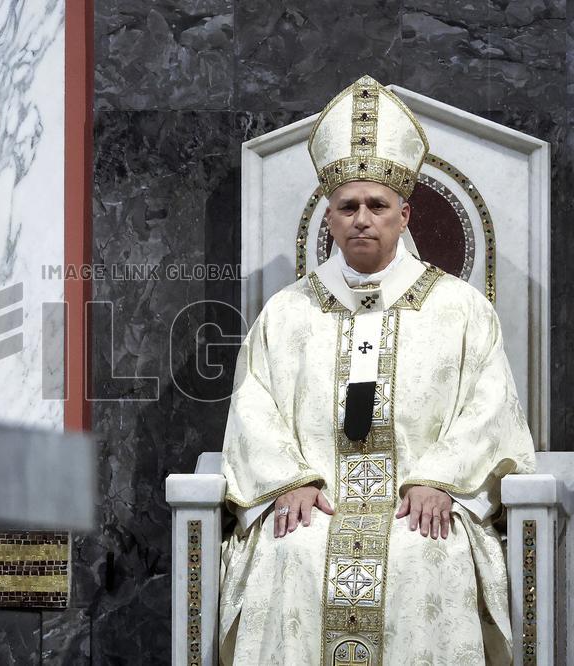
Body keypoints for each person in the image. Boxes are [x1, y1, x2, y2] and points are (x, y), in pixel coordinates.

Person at [218, 75, 536, 665]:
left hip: (421, 505)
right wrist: (290, 482)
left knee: (427, 555)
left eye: (377, 205)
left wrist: (439, 478)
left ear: (404, 213)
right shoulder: (288, 312)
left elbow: (490, 407)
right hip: (315, 505)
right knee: (289, 553)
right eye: (348, 206)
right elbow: (253, 404)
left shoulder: (460, 308)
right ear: (329, 218)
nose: (363, 218)